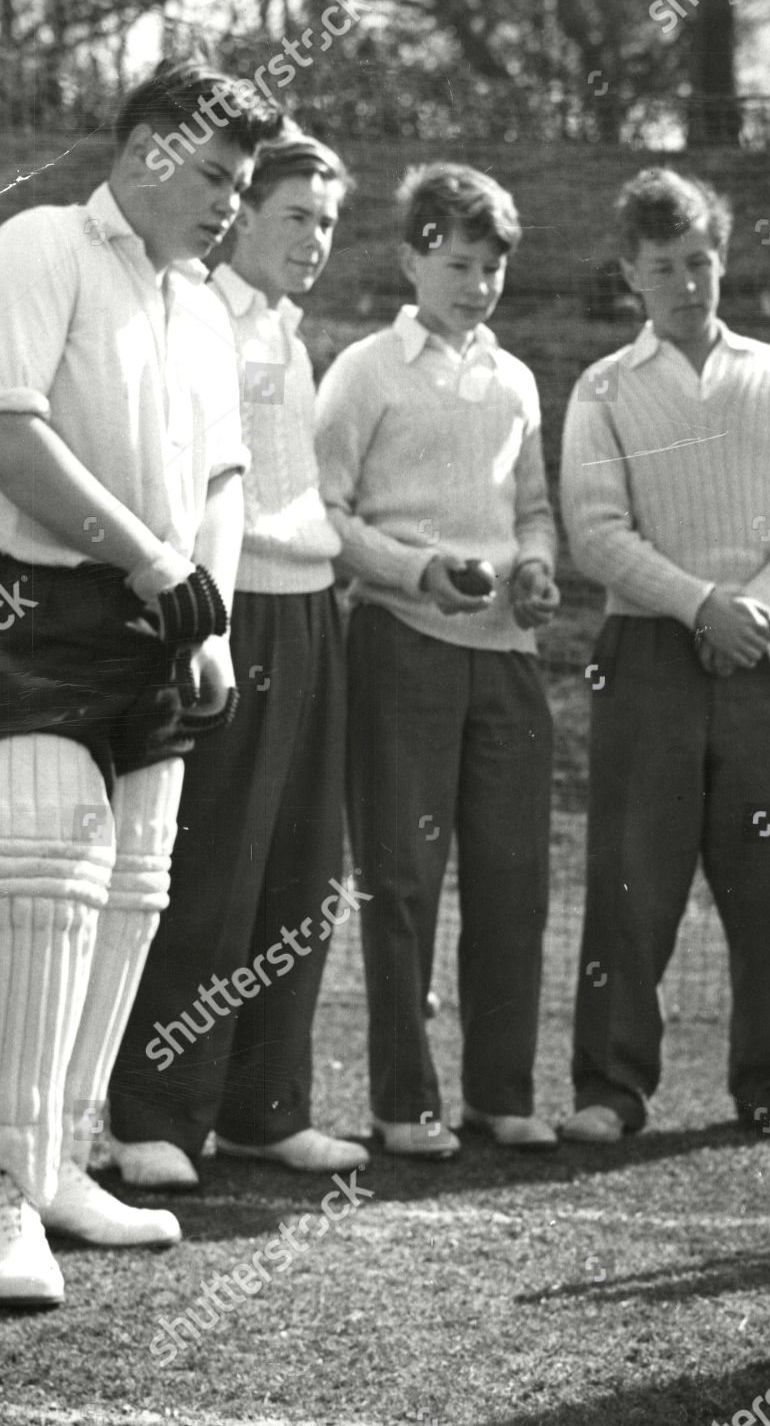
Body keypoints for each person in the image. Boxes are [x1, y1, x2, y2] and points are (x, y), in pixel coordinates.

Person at [0, 59, 281, 1305]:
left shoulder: (208, 307)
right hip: (40, 608)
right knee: (49, 880)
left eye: (241, 184)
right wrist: (150, 557)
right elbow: (8, 428)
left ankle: (60, 1162)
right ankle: (2, 1192)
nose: (229, 203)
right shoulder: (44, 243)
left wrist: (206, 614)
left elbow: (225, 479)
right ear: (151, 150)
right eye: (216, 175)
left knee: (134, 884)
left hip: (169, 628)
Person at [558, 168, 770, 1148]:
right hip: (647, 654)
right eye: (662, 267)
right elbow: (593, 532)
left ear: (719, 260)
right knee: (632, 882)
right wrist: (698, 606)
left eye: (699, 260)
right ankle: (609, 1089)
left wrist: (757, 604)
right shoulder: (604, 390)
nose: (685, 282)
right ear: (631, 278)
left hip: (764, 652)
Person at [107, 130, 368, 1188]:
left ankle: (267, 1109)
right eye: (297, 216)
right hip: (233, 612)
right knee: (212, 869)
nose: (316, 239)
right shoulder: (196, 312)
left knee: (304, 872)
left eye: (329, 223)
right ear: (246, 214)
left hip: (312, 614)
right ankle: (154, 1116)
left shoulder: (288, 335)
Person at [315, 162, 560, 1159]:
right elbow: (323, 515)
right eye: (458, 262)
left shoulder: (516, 379)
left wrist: (537, 566)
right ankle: (402, 1104)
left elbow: (533, 509)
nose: (477, 285)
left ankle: (499, 1098)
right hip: (399, 648)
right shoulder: (364, 370)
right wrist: (416, 571)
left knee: (511, 879)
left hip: (507, 658)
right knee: (403, 881)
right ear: (414, 255)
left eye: (493, 267)